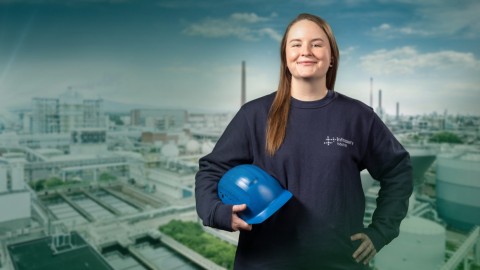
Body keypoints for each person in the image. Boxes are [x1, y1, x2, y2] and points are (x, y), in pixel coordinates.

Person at [195, 13, 413, 270]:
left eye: (317, 44)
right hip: (264, 262)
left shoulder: (357, 117)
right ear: (285, 57)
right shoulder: (254, 115)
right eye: (296, 44)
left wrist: (381, 231)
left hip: (339, 263)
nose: (305, 51)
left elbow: (398, 170)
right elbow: (212, 169)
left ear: (331, 57)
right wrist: (217, 212)